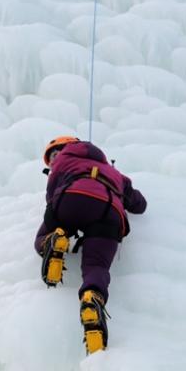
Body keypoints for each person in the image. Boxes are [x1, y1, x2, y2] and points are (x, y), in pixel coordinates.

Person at [34, 136, 147, 353]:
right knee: (97, 266)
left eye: (55, 154)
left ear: (66, 149)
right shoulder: (112, 171)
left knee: (46, 234)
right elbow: (138, 204)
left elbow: (52, 193)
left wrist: (56, 216)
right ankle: (92, 296)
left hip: (71, 198)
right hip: (109, 209)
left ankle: (53, 241)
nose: (54, 159)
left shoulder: (63, 161)